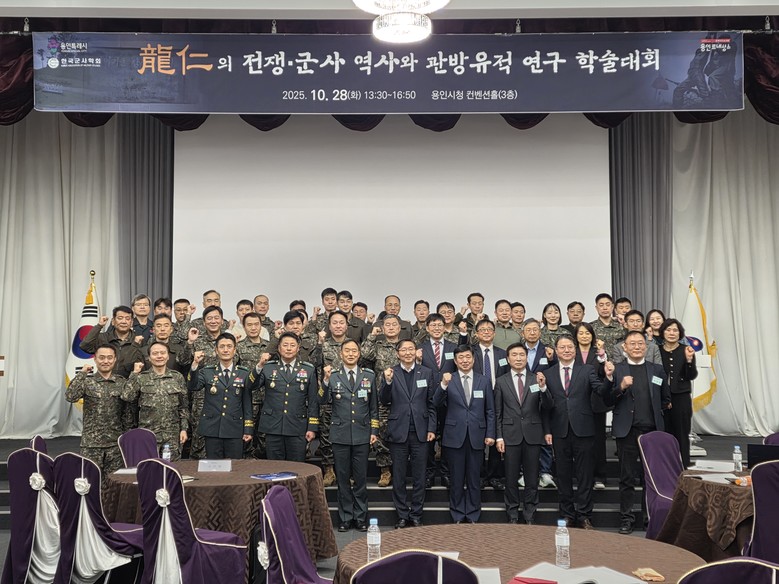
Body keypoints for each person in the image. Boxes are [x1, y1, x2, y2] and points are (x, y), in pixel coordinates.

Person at [602, 330, 671, 534]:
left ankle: (649, 518)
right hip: (627, 431)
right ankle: (627, 518)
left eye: (640, 343)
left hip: (651, 432)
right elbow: (607, 400)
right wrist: (621, 387)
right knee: (627, 478)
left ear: (646, 346)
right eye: (632, 343)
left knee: (650, 478)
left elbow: (666, 399)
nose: (637, 347)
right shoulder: (617, 370)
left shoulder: (657, 370)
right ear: (624, 347)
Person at [538, 335, 607, 529]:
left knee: (585, 475)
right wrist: (542, 388)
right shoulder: (548, 373)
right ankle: (567, 514)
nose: (566, 350)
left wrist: (609, 377)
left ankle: (584, 515)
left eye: (570, 347)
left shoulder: (587, 370)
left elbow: (600, 390)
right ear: (556, 351)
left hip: (584, 429)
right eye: (562, 347)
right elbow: (546, 406)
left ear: (575, 350)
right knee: (563, 475)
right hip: (559, 430)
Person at [380, 339, 437, 528]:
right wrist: (387, 382)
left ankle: (417, 514)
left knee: (420, 476)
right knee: (399, 476)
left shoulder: (426, 372)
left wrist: (431, 428)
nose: (407, 353)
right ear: (397, 353)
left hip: (421, 431)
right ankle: (402, 514)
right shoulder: (391, 372)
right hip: (398, 431)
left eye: (410, 349)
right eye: (403, 350)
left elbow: (431, 403)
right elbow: (384, 400)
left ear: (416, 351)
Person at [323, 340, 378, 532]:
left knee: (361, 479)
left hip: (362, 434)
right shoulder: (333, 376)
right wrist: (325, 381)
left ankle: (361, 517)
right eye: (347, 351)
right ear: (341, 354)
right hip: (340, 434)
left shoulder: (369, 376)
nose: (351, 354)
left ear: (359, 353)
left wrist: (374, 431)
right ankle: (345, 517)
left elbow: (374, 407)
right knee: (343, 479)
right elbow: (323, 400)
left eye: (354, 350)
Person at [437, 345, 496, 524]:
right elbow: (435, 403)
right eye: (460, 358)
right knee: (456, 479)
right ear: (455, 361)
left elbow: (490, 410)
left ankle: (472, 513)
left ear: (473, 359)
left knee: (474, 478)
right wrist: (443, 385)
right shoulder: (449, 379)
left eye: (468, 357)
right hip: (454, 436)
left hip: (477, 436)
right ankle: (457, 513)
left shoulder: (484, 381)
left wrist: (490, 433)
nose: (464, 360)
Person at [495, 343, 552, 524]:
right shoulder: (501, 381)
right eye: (514, 355)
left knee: (532, 478)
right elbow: (498, 412)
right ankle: (512, 513)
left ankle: (530, 514)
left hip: (533, 434)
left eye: (522, 355)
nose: (518, 358)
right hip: (510, 435)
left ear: (527, 358)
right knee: (511, 478)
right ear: (508, 358)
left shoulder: (537, 379)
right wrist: (499, 436)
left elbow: (548, 407)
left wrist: (543, 388)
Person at [187, 332, 257, 459]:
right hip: (213, 428)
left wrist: (248, 428)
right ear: (216, 350)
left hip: (235, 428)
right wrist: (195, 364)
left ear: (235, 350)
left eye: (229, 346)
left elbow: (247, 403)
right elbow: (193, 386)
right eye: (222, 346)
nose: (225, 350)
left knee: (235, 466)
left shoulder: (243, 373)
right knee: (214, 466)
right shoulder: (207, 372)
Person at [255, 332, 320, 462]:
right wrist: (259, 366)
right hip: (273, 426)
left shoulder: (308, 369)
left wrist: (312, 427)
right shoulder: (268, 367)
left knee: (296, 467)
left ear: (298, 348)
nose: (289, 348)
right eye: (285, 345)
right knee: (275, 466)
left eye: (292, 345)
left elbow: (313, 401)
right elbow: (252, 385)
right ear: (279, 348)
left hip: (297, 426)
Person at [65, 345, 127, 476]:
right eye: (102, 358)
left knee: (114, 482)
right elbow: (70, 396)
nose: (106, 361)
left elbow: (128, 412)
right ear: (95, 359)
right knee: (90, 481)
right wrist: (82, 373)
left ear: (115, 359)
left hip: (115, 444)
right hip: (91, 444)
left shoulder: (121, 383)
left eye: (109, 358)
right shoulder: (87, 381)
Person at [124, 342, 189, 460]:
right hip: (148, 434)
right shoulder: (141, 377)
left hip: (172, 434)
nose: (159, 356)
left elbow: (183, 406)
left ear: (168, 356)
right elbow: (127, 396)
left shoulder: (177, 377)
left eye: (162, 353)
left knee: (171, 468)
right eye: (155, 353)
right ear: (149, 358)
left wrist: (184, 429)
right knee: (148, 467)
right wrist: (134, 374)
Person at [361, 314, 403, 487]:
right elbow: (364, 354)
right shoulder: (377, 346)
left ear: (400, 328)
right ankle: (385, 471)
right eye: (387, 325)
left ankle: (399, 470)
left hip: (402, 398)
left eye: (394, 324)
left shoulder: (406, 346)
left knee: (401, 436)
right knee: (380, 436)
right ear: (383, 328)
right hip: (381, 398)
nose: (391, 327)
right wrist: (372, 335)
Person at [417, 313, 457, 488]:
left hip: (450, 398)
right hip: (427, 398)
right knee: (428, 438)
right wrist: (417, 360)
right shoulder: (420, 348)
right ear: (427, 328)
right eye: (433, 325)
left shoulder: (454, 347)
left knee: (448, 438)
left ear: (445, 327)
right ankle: (429, 473)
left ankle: (447, 473)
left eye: (440, 325)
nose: (437, 328)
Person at [471, 319, 509, 491]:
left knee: (496, 434)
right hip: (476, 398)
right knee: (478, 437)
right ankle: (479, 475)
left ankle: (494, 476)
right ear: (476, 333)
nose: (486, 332)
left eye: (489, 329)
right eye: (482, 329)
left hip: (498, 397)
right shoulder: (471, 353)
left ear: (494, 333)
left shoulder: (503, 354)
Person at [573, 323, 609, 491]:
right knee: (579, 442)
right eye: (581, 333)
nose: (584, 336)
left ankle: (600, 476)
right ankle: (581, 476)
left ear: (592, 335)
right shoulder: (571, 352)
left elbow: (605, 374)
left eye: (587, 333)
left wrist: (603, 357)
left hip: (596, 403)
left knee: (598, 441)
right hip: (576, 403)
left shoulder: (600, 353)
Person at [658, 318, 698, 467]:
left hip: (681, 397)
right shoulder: (657, 350)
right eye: (668, 330)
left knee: (682, 434)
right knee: (664, 434)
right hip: (662, 397)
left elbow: (691, 375)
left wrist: (689, 361)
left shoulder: (686, 350)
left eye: (675, 330)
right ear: (662, 332)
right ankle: (665, 468)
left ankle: (683, 468)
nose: (671, 333)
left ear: (680, 333)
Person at [523, 318, 556, 488]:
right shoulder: (517, 350)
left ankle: (545, 472)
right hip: (522, 397)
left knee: (545, 433)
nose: (532, 333)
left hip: (543, 396)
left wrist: (552, 359)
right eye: (528, 330)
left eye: (535, 329)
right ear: (523, 332)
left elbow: (556, 370)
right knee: (524, 435)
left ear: (540, 332)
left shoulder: (547, 351)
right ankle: (525, 472)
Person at [79, 306, 146, 379]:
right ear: (113, 321)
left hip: (129, 381)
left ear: (132, 322)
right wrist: (99, 326)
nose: (124, 322)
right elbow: (85, 346)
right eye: (120, 318)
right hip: (105, 381)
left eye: (127, 319)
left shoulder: (139, 340)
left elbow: (143, 365)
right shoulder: (103, 338)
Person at [590, 293, 625, 361]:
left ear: (612, 307)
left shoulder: (621, 325)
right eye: (601, 305)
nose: (605, 308)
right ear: (596, 308)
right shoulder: (591, 327)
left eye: (608, 305)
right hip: (598, 364)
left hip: (620, 364)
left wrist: (625, 323)